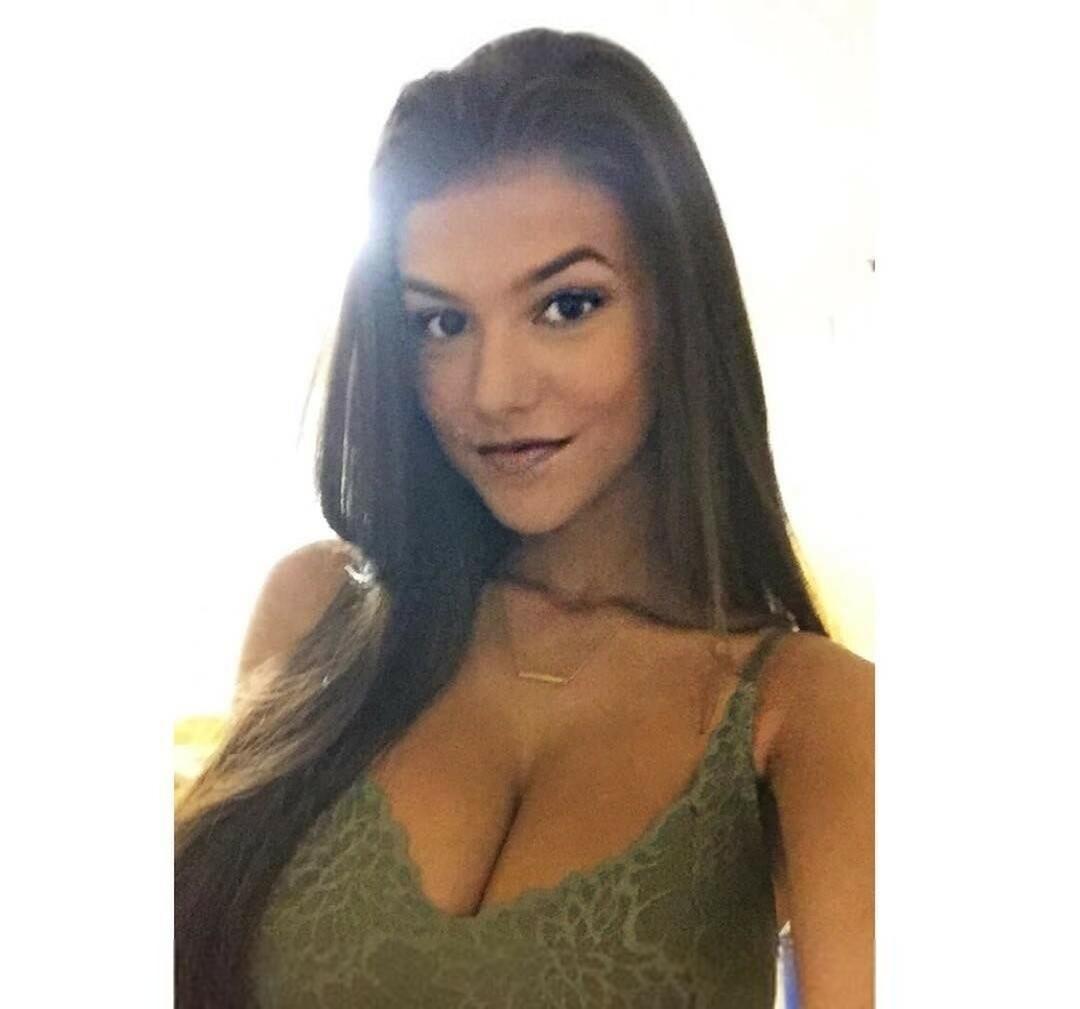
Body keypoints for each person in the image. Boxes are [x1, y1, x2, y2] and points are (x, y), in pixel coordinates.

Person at [174, 27, 873, 1009]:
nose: (493, 390)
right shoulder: (316, 612)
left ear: (678, 311)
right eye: (441, 321)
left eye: (567, 305)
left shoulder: (809, 716)